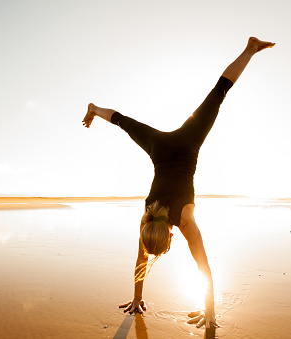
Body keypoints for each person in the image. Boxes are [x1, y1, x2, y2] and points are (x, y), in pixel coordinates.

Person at [82, 37, 275, 328]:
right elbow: (144, 262)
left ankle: (250, 48)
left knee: (218, 94)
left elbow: (202, 266)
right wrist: (138, 298)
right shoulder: (147, 218)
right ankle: (95, 108)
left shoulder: (184, 220)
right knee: (124, 121)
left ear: (171, 237)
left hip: (185, 145)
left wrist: (211, 310)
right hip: (159, 147)